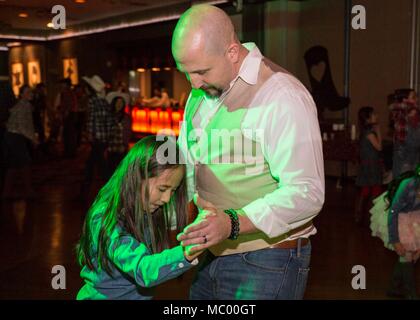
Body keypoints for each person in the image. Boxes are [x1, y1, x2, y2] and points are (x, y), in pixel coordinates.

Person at [173, 4, 325, 300]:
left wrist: (231, 222)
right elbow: (191, 161)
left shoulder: (281, 95)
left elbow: (307, 192)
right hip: (210, 254)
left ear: (232, 52)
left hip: (267, 261)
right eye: (186, 72)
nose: (193, 84)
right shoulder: (200, 91)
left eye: (201, 71)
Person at [76, 135, 202, 300]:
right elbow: (144, 269)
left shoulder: (146, 209)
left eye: (173, 191)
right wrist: (187, 251)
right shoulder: (105, 217)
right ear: (137, 176)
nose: (166, 199)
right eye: (163, 188)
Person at [370, 164, 420, 299]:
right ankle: (412, 295)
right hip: (397, 215)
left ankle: (393, 287)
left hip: (415, 216)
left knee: (408, 255)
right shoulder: (408, 185)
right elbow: (393, 212)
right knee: (407, 254)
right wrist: (395, 240)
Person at [80, 75, 114, 199]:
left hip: (96, 138)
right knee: (92, 164)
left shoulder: (92, 101)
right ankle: (84, 191)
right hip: (104, 138)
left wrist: (89, 134)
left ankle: (112, 191)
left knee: (100, 166)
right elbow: (110, 122)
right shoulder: (105, 102)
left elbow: (91, 119)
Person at [2, 85, 37, 199]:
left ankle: (6, 194)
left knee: (13, 165)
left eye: (31, 92)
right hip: (15, 136)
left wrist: (32, 137)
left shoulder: (25, 105)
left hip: (12, 136)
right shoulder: (23, 106)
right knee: (25, 163)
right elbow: (22, 126)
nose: (30, 94)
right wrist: (32, 139)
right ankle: (29, 192)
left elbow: (27, 125)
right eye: (27, 92)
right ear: (21, 94)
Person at [354, 106, 383, 225]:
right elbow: (379, 147)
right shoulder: (370, 133)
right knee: (374, 190)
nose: (376, 115)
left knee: (366, 191)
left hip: (368, 165)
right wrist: (379, 132)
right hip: (371, 166)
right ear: (368, 118)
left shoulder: (363, 131)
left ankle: (360, 216)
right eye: (373, 114)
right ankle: (373, 217)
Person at [389, 89, 420, 178]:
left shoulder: (415, 113)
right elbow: (393, 106)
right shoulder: (401, 112)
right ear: (404, 100)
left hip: (414, 153)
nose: (416, 99)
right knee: (402, 182)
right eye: (413, 97)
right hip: (403, 152)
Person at [105, 94, 132, 177]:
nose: (119, 104)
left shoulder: (126, 117)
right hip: (110, 146)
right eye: (117, 102)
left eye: (121, 102)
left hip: (121, 146)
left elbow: (128, 132)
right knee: (110, 169)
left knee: (121, 170)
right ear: (114, 103)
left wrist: (125, 145)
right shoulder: (108, 116)